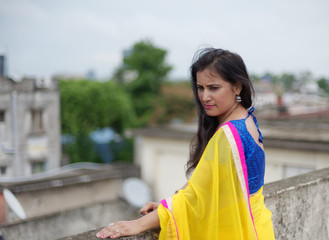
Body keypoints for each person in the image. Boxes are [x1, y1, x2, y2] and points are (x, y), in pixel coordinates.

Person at [96, 48, 275, 239]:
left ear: (237, 87)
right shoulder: (245, 118)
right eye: (200, 88)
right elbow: (206, 188)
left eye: (214, 88)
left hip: (240, 230)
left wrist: (139, 224)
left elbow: (197, 197)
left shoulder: (230, 134)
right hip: (256, 225)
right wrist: (165, 208)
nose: (205, 97)